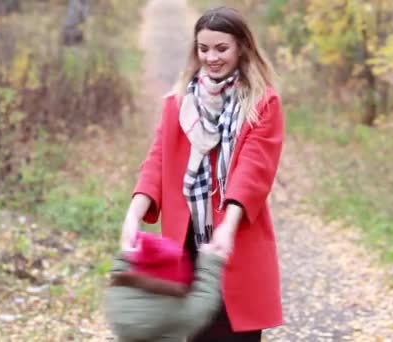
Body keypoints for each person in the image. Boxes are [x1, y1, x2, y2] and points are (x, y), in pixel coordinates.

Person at [120, 6, 284, 341]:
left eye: (221, 48)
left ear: (241, 47)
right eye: (203, 48)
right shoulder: (179, 102)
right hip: (187, 245)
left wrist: (228, 227)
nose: (211, 57)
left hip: (237, 242)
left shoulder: (263, 103)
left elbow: (253, 170)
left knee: (237, 332)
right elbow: (157, 160)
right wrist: (134, 214)